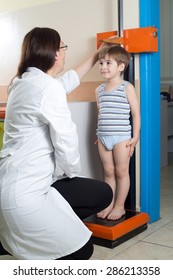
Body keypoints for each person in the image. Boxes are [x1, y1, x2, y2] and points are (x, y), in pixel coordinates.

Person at [0, 27, 113, 260]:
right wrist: (71, 173)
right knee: (82, 251)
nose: (65, 51)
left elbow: (65, 82)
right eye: (63, 46)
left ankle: (24, 235)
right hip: (25, 191)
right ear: (55, 54)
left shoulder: (21, 83)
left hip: (13, 182)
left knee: (101, 193)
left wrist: (97, 54)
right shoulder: (46, 88)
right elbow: (66, 139)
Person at [95, 45, 140, 220]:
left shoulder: (126, 87)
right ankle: (108, 204)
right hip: (103, 137)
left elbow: (136, 114)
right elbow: (101, 114)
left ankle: (120, 206)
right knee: (108, 172)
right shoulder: (98, 90)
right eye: (101, 63)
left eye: (108, 63)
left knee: (121, 172)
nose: (103, 67)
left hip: (121, 138)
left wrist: (135, 137)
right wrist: (97, 134)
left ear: (121, 67)